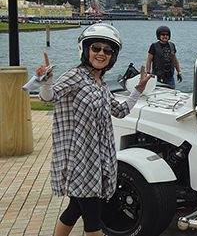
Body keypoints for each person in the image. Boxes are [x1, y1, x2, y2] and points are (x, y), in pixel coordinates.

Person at [36, 24, 152, 236]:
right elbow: (48, 98)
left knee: (74, 210)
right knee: (93, 216)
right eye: (96, 48)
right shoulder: (76, 76)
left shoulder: (101, 83)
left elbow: (120, 110)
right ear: (85, 49)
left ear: (113, 55)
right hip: (79, 160)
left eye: (107, 50)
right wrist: (46, 81)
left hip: (97, 161)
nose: (101, 53)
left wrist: (138, 90)